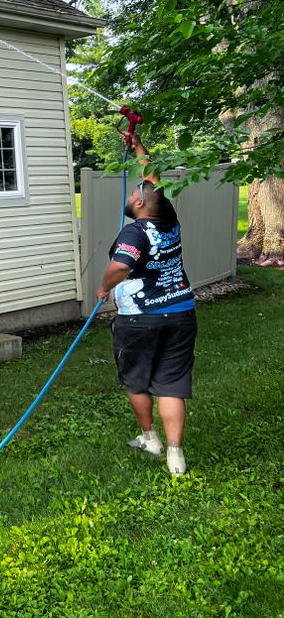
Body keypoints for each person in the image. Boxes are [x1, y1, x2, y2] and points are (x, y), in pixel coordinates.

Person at [96, 133, 196, 475]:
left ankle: (150, 438)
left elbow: (121, 266)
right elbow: (152, 178)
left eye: (134, 192)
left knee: (137, 380)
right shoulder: (167, 217)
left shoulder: (134, 234)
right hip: (181, 312)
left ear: (139, 204)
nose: (133, 191)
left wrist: (103, 287)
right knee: (171, 382)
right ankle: (175, 456)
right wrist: (137, 145)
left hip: (141, 319)